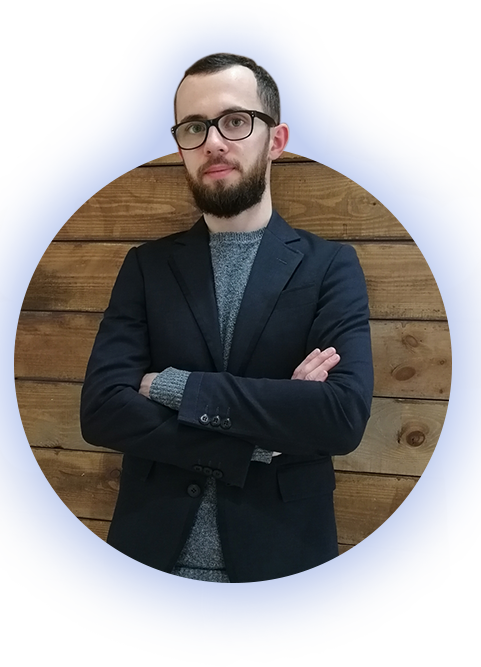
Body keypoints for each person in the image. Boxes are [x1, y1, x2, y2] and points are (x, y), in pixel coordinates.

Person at [80, 52, 374, 586]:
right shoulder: (146, 266)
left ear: (276, 140)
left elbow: (340, 417)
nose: (213, 142)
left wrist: (172, 387)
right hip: (148, 564)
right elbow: (102, 410)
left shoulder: (331, 266)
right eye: (195, 127)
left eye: (235, 121)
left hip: (282, 569)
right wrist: (261, 436)